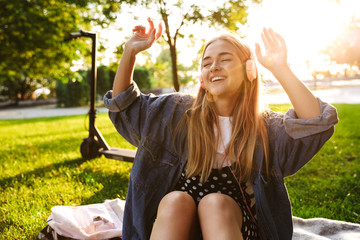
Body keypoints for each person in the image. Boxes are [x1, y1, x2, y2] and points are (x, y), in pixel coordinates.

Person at [103, 17, 338, 240]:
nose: (214, 66)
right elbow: (124, 106)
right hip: (177, 226)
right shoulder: (175, 112)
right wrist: (130, 52)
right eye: (207, 63)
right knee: (175, 201)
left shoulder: (264, 127)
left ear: (249, 70)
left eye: (225, 59)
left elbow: (314, 123)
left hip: (234, 227)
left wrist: (280, 68)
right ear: (202, 79)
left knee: (215, 202)